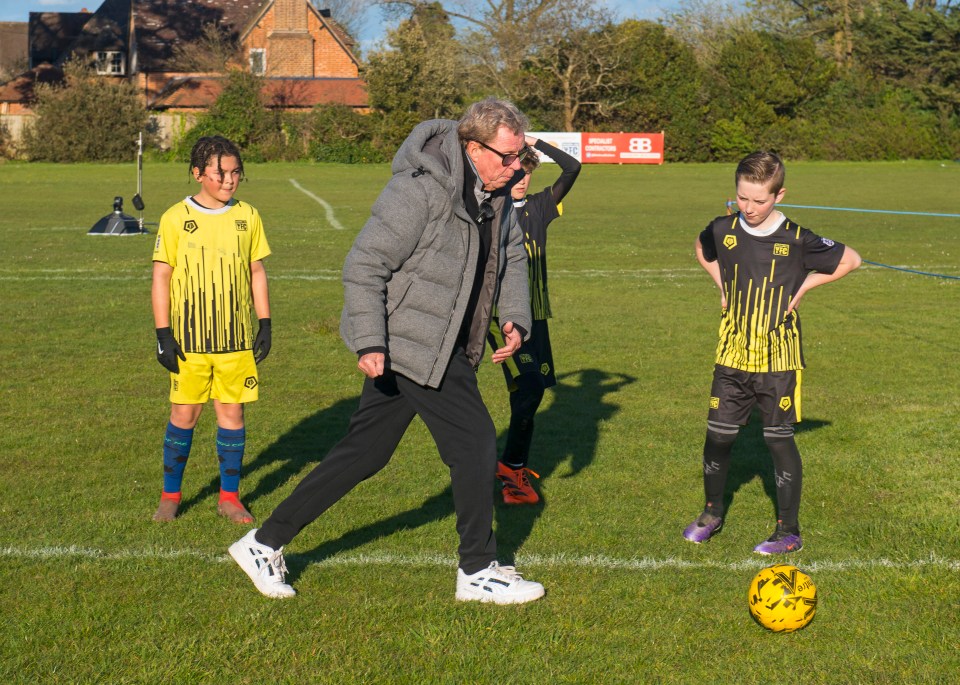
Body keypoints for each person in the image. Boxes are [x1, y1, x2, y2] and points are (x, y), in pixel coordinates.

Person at [229, 98, 545, 604]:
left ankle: (263, 543)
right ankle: (478, 570)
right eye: (507, 157)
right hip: (410, 344)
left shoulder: (498, 192)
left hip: (448, 343)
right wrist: (372, 340)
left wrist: (513, 318)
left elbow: (507, 256)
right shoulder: (418, 190)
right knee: (477, 444)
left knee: (364, 454)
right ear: (472, 147)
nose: (515, 168)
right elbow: (364, 264)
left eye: (519, 158)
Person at [683, 151, 861, 554]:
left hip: (778, 357)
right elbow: (701, 246)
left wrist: (803, 289)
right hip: (731, 352)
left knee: (778, 440)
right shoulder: (723, 227)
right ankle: (712, 513)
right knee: (718, 438)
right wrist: (722, 285)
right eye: (742, 198)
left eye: (759, 200)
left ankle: (788, 530)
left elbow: (851, 260)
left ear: (779, 194)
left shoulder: (797, 238)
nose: (749, 208)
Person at [151, 135, 272, 524]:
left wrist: (265, 323)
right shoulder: (174, 218)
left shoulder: (248, 216)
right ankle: (170, 496)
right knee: (184, 415)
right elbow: (161, 278)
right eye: (220, 173)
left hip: (234, 342)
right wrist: (163, 334)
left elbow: (256, 271)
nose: (229, 180)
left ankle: (229, 498)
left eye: (236, 172)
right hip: (189, 342)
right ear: (197, 173)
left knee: (232, 415)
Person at [487, 136, 581, 504]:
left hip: (537, 316)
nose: (522, 178)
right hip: (505, 318)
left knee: (533, 391)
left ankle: (513, 469)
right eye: (517, 171)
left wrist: (535, 142)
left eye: (528, 171)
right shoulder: (491, 210)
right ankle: (511, 471)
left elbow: (573, 168)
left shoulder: (540, 207)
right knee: (528, 388)